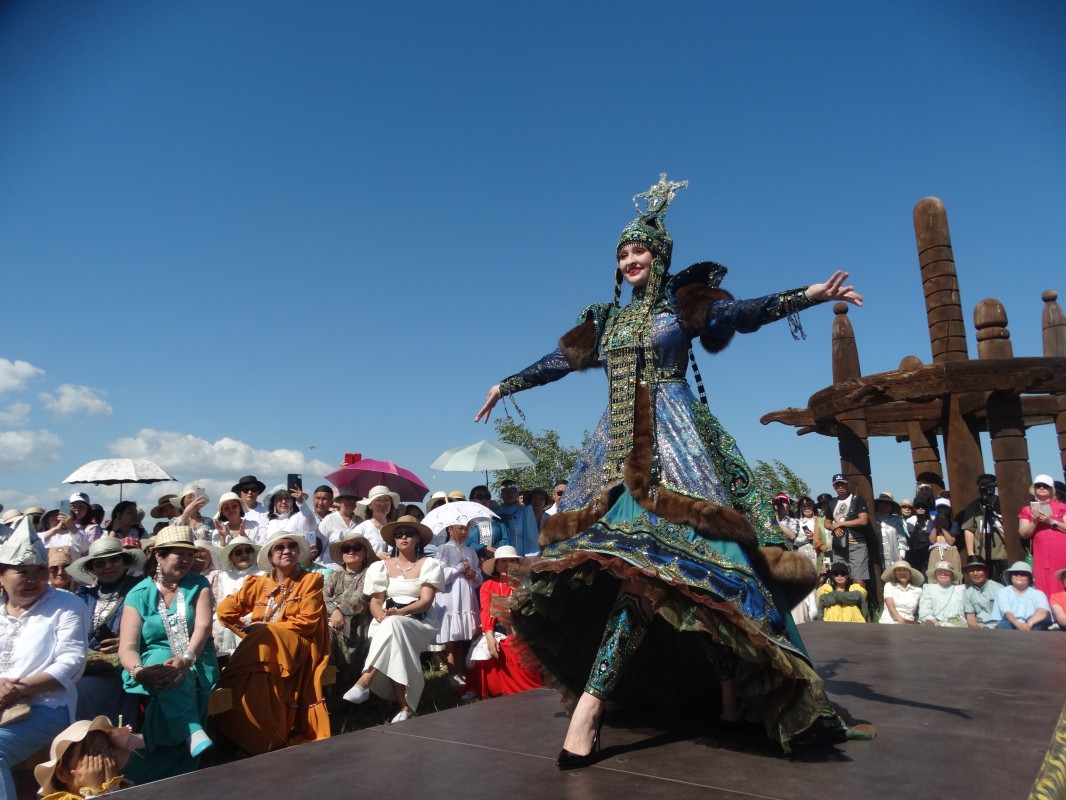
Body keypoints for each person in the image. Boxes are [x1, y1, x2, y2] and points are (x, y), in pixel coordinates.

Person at [474, 174, 866, 765]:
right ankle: (719, 699)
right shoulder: (604, 320)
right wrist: (508, 384)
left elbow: (742, 314)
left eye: (640, 251)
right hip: (609, 465)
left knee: (672, 579)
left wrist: (804, 296)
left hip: (676, 459)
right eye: (623, 253)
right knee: (652, 579)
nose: (631, 259)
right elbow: (559, 361)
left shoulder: (684, 309)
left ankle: (595, 709)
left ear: (660, 259)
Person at [117, 525, 219, 783]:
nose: (186, 560)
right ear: (158, 555)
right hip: (150, 666)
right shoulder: (138, 594)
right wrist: (139, 672)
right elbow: (128, 647)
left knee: (174, 672)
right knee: (162, 658)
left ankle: (147, 770)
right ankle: (191, 730)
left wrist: (186, 658)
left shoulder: (199, 584)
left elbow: (204, 627)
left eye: (189, 554)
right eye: (178, 553)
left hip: (195, 660)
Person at [215, 530, 330, 753]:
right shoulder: (258, 584)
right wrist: (247, 634)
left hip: (299, 645)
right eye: (280, 547)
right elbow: (224, 612)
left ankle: (261, 737)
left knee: (262, 640)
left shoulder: (310, 581)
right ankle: (255, 736)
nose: (287, 551)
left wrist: (262, 630)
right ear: (270, 556)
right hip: (264, 649)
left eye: (292, 547)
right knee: (258, 675)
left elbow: (307, 623)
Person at [0, 518, 89, 800]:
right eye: (22, 572)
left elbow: (72, 662)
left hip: (46, 708)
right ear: (1, 576)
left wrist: (18, 689)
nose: (33, 579)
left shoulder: (66, 604)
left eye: (39, 571)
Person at [342, 516, 444, 723]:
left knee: (393, 626)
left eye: (409, 533)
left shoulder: (429, 564)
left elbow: (425, 601)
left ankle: (365, 681)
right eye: (399, 534)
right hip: (386, 620)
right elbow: (375, 601)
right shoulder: (380, 566)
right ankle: (405, 708)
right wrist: (379, 613)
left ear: (418, 539)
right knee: (393, 638)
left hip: (418, 621)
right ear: (394, 540)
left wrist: (399, 613)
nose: (403, 537)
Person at [67, 538, 146, 724]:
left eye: (114, 560)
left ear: (124, 562)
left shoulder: (140, 588)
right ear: (92, 568)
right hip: (89, 663)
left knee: (85, 687)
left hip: (125, 663)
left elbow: (156, 624)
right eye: (100, 563)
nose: (108, 567)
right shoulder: (85, 595)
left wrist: (128, 641)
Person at [465, 546, 543, 699]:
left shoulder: (526, 584)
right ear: (496, 565)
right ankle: (483, 687)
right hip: (496, 628)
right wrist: (489, 636)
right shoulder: (488, 586)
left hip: (523, 629)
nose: (506, 564)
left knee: (518, 648)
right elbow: (486, 611)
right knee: (485, 652)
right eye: (503, 561)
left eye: (511, 560)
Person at [323, 534, 377, 710]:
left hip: (357, 628)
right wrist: (334, 612)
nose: (351, 551)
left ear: (365, 553)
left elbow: (361, 598)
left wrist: (338, 610)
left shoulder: (368, 574)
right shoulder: (334, 576)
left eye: (356, 548)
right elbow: (322, 597)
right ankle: (325, 692)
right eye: (346, 549)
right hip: (332, 623)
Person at [33, 716, 143, 800]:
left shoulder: (127, 788)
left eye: (106, 751)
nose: (101, 761)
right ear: (62, 773)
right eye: (92, 754)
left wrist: (112, 789)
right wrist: (94, 792)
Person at [433, 524, 482, 686]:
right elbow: (439, 577)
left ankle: (461, 671)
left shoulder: (470, 551)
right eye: (459, 528)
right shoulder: (443, 549)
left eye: (466, 529)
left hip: (466, 596)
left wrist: (473, 574)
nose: (463, 532)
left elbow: (478, 578)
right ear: (449, 530)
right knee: (452, 637)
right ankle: (452, 673)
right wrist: (459, 568)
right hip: (450, 597)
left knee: (462, 636)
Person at [207, 537, 263, 656]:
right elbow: (221, 602)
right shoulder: (224, 576)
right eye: (238, 552)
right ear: (231, 557)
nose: (244, 555)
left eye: (247, 551)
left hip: (253, 625)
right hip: (227, 627)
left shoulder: (262, 574)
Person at [1017, 473, 1066, 598]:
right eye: (1038, 485)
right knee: (1044, 581)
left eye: (1045, 486)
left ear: (1051, 489)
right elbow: (1024, 534)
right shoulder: (1027, 510)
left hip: (1062, 551)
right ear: (1033, 488)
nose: (1041, 488)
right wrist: (1035, 521)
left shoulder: (1062, 507)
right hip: (1042, 553)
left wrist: (1052, 522)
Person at [826, 475, 870, 588]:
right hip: (839, 545)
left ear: (848, 484)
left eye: (842, 484)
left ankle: (861, 605)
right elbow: (827, 523)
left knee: (858, 579)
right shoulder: (831, 503)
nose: (840, 487)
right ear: (833, 486)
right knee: (839, 577)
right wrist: (834, 527)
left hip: (856, 543)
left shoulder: (857, 500)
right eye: (837, 484)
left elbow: (863, 520)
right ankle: (842, 604)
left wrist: (840, 524)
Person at [961, 474, 1007, 582]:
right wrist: (971, 553)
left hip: (1003, 552)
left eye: (989, 485)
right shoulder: (974, 506)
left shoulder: (1002, 503)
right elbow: (969, 529)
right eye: (983, 486)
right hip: (982, 553)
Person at [992, 561, 1051, 631]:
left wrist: (1028, 624)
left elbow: (1043, 611)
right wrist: (1018, 625)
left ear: (1029, 578)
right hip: (1010, 623)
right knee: (1004, 624)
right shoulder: (1003, 592)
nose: (1019, 576)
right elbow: (1006, 612)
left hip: (1032, 624)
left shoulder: (1038, 593)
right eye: (1016, 573)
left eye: (1023, 574)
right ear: (1011, 576)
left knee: (1038, 624)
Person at [355, 485, 402, 555]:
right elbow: (354, 554)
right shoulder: (361, 529)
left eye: (386, 500)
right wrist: (375, 557)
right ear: (370, 505)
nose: (382, 504)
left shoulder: (394, 529)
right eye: (378, 500)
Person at [917, 561, 965, 627]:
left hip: (957, 626)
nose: (943, 573)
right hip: (935, 626)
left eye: (947, 571)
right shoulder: (928, 588)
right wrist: (934, 622)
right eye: (939, 571)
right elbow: (924, 611)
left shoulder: (961, 589)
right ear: (935, 574)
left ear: (952, 575)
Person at [925, 498, 961, 582]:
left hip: (950, 551)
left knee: (952, 577)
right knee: (934, 578)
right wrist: (935, 524)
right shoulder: (931, 522)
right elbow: (932, 541)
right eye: (939, 509)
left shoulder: (953, 523)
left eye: (944, 508)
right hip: (936, 551)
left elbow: (951, 541)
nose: (942, 511)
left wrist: (942, 527)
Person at [962, 556, 1003, 629]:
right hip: (980, 628)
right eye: (971, 571)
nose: (975, 573)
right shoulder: (968, 593)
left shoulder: (999, 589)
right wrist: (979, 633)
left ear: (986, 572)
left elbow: (1006, 614)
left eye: (978, 570)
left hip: (999, 627)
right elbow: (970, 618)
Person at [877, 559, 923, 624]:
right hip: (888, 621)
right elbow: (891, 607)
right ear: (895, 574)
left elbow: (923, 608)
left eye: (905, 570)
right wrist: (901, 621)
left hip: (909, 623)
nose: (902, 573)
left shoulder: (918, 590)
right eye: (899, 570)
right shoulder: (889, 586)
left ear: (910, 573)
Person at [874, 492, 907, 568]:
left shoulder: (896, 520)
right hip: (876, 559)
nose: (885, 505)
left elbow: (902, 539)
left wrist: (901, 555)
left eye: (888, 503)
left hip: (894, 558)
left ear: (891, 506)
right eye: (882, 502)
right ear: (877, 505)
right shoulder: (872, 520)